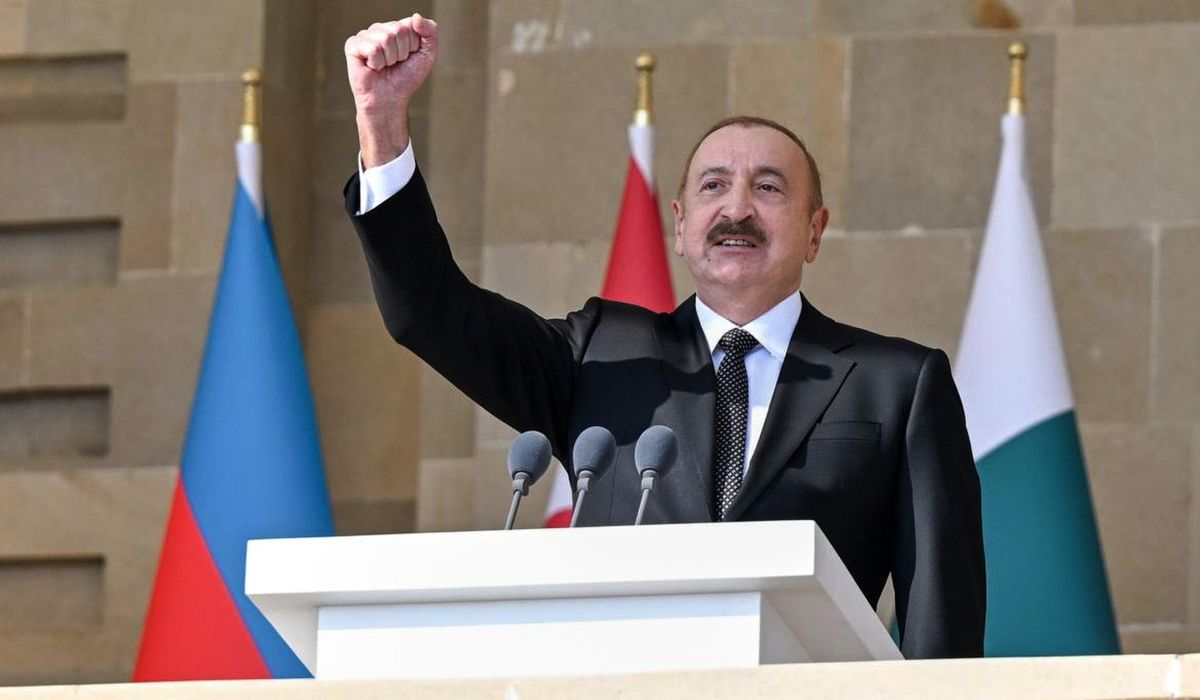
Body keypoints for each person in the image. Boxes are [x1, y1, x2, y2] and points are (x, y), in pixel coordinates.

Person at [343, 14, 985, 659]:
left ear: (815, 230)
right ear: (680, 226)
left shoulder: (896, 384)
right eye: (714, 186)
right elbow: (430, 311)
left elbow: (942, 620)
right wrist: (382, 121)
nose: (737, 209)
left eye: (768, 188)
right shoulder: (598, 354)